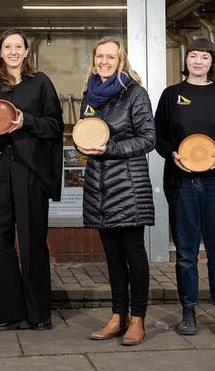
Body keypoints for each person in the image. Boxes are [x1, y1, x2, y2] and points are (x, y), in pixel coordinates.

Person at [154, 37, 215, 337]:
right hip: (183, 182)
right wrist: (173, 154)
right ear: (185, 61)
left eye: (204, 57)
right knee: (185, 253)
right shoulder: (173, 95)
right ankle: (189, 311)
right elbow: (159, 137)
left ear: (212, 62)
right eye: (193, 56)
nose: (198, 61)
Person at [0, 29, 64, 331]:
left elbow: (55, 126)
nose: (13, 51)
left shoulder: (41, 84)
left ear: (27, 52)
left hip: (30, 171)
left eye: (18, 47)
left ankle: (38, 314)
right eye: (7, 47)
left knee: (32, 239)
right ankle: (5, 313)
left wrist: (27, 121)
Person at [76, 37, 156, 346]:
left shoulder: (134, 93)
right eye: (100, 56)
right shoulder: (90, 94)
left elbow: (148, 139)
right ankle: (117, 316)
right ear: (94, 59)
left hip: (128, 184)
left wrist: (109, 148)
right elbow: (88, 131)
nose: (105, 61)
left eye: (111, 56)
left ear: (121, 60)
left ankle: (137, 319)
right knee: (111, 256)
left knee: (133, 254)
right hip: (99, 184)